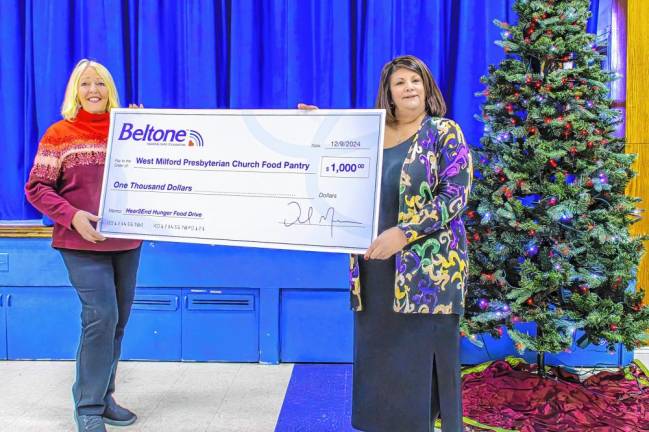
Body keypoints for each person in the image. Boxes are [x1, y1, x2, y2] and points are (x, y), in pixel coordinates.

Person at [302, 54, 472, 432]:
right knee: (379, 359)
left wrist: (403, 233)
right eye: (401, 82)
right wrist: (315, 126)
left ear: (426, 87)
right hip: (373, 269)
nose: (409, 87)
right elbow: (332, 160)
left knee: (421, 362)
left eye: (415, 80)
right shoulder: (369, 134)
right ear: (389, 93)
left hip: (430, 274)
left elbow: (455, 196)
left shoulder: (444, 132)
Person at [25, 59, 142, 432]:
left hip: (125, 240)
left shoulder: (129, 131)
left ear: (111, 91)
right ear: (75, 91)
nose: (94, 91)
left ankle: (105, 396)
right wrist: (71, 214)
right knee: (101, 317)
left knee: (118, 322)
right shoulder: (60, 134)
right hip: (79, 242)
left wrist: (146, 129)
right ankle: (87, 406)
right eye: (86, 84)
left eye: (101, 84)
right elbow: (37, 188)